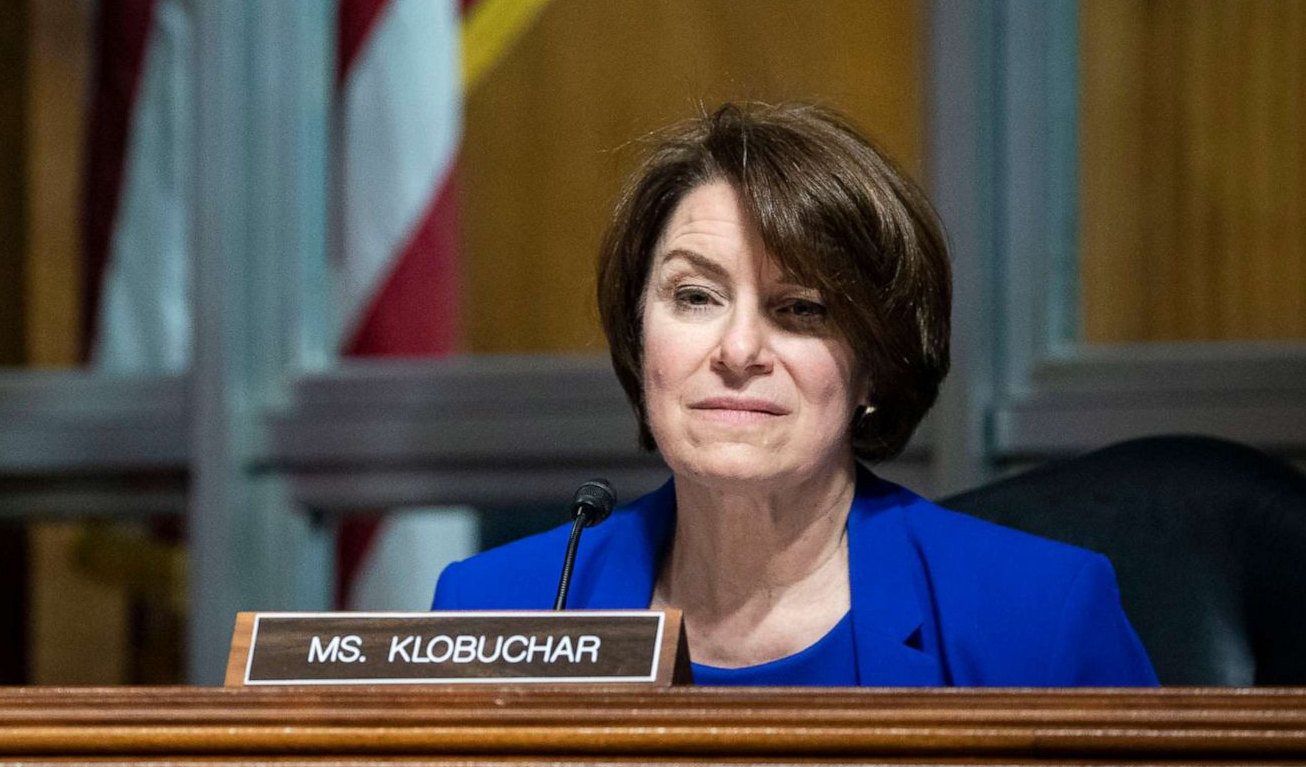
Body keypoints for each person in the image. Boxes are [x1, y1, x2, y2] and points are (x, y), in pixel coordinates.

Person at [431, 102, 1157, 687]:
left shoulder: (1036, 618)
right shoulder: (498, 607)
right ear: (637, 334)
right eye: (694, 296)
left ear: (875, 362)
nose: (739, 350)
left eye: (801, 308)